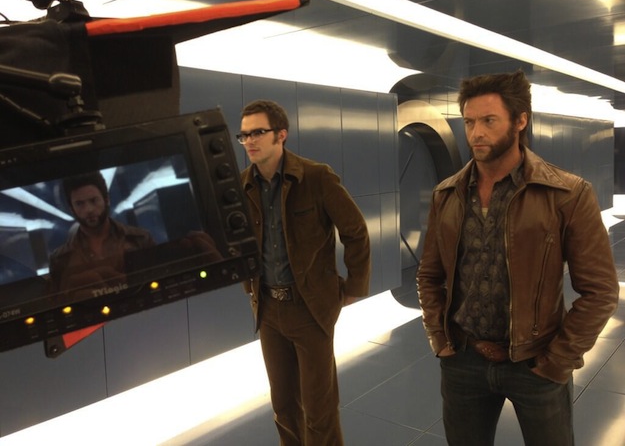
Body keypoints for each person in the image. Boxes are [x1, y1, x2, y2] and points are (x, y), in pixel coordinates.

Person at [416, 70, 619, 446]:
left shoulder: (566, 194)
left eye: (489, 121)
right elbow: (429, 274)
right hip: (463, 359)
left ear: (520, 120)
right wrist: (439, 338)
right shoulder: (448, 194)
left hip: (535, 363)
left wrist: (557, 361)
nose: (476, 133)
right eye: (469, 122)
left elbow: (601, 291)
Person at [238, 99, 371, 445]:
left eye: (257, 132)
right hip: (268, 309)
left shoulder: (315, 177)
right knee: (283, 406)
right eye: (244, 135)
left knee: (319, 410)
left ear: (281, 134)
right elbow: (239, 242)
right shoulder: (243, 185)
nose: (249, 141)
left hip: (310, 307)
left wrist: (354, 287)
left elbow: (355, 231)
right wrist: (249, 286)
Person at [49, 171, 156, 293]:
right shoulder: (59, 260)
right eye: (79, 204)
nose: (89, 209)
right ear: (72, 209)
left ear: (106, 200)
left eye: (94, 200)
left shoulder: (141, 239)